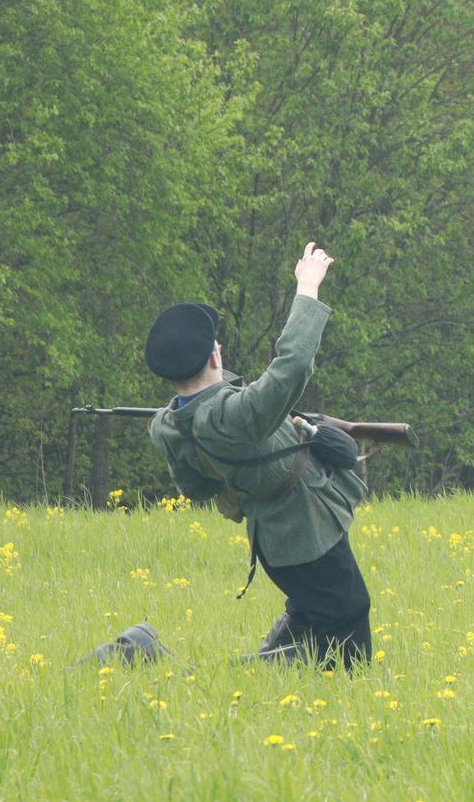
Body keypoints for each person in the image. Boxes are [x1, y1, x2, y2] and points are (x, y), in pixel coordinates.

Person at [143, 245, 374, 668]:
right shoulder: (237, 414)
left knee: (313, 613)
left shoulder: (167, 424)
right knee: (347, 638)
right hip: (306, 530)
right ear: (215, 355)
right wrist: (307, 288)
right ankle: (239, 674)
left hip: (271, 537)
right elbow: (291, 366)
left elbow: (196, 487)